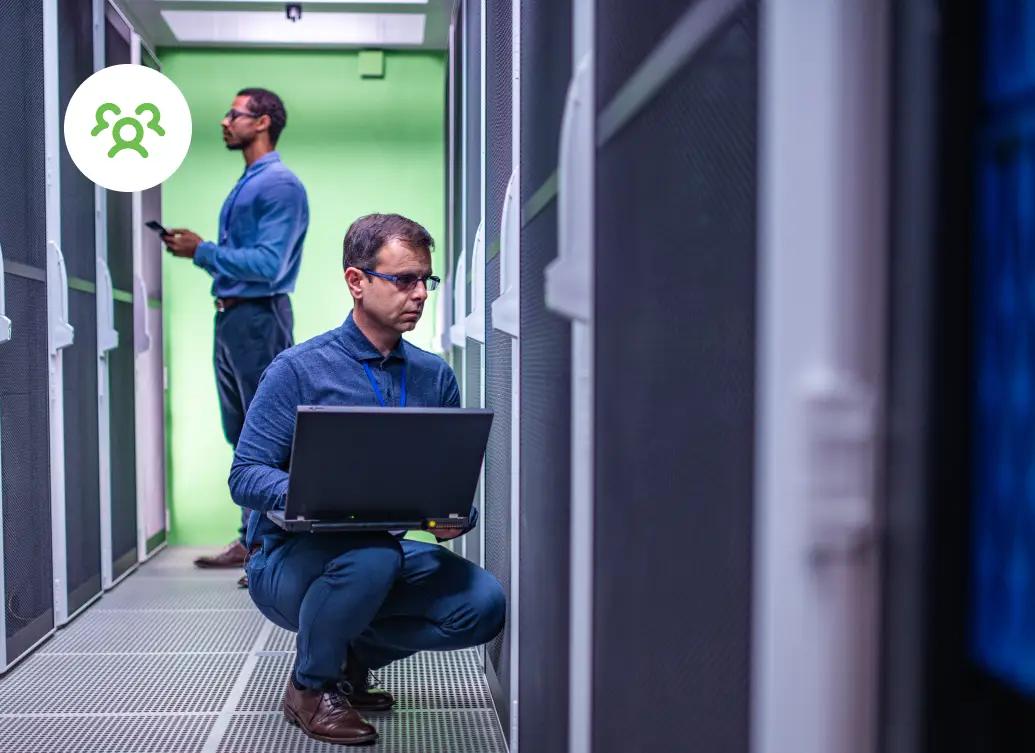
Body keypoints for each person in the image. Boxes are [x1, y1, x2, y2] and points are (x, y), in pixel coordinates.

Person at [228, 213, 505, 746]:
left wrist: (453, 516)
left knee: (482, 603)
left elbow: (451, 487)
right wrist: (314, 490)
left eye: (426, 279)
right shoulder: (298, 370)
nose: (420, 293)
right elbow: (245, 476)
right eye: (404, 279)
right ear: (357, 282)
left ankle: (347, 655)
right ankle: (311, 687)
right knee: (372, 555)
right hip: (290, 558)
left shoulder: (434, 377)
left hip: (384, 553)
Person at [163, 87, 309, 587]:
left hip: (258, 318)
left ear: (263, 122)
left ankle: (272, 549)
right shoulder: (251, 181)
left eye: (235, 114)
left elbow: (269, 267)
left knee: (267, 436)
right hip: (231, 318)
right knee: (241, 433)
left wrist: (203, 251)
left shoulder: (280, 185)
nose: (225, 121)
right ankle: (252, 540)